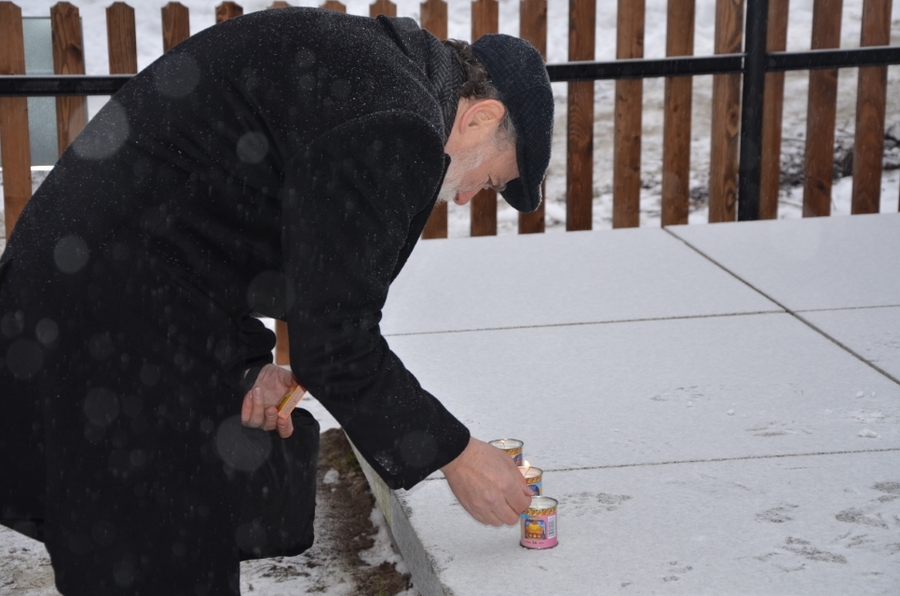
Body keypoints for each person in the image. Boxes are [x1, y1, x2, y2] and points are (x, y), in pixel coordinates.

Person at [0, 6, 553, 595]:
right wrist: (457, 455)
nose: (467, 196)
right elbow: (338, 343)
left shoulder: (376, 68)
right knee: (160, 570)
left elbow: (197, 210)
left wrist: (243, 361)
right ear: (483, 117)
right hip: (109, 336)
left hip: (85, 296)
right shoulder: (397, 120)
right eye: (491, 178)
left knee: (160, 553)